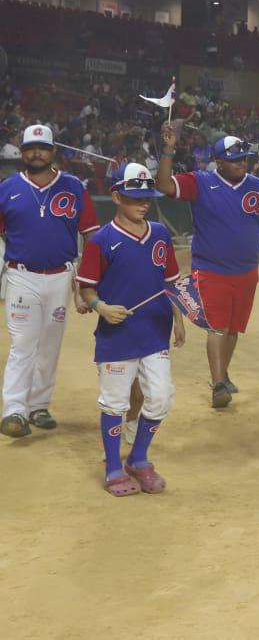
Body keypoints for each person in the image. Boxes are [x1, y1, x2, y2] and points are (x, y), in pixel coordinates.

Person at [155, 123, 259, 408]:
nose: (241, 163)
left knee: (233, 329)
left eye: (243, 158)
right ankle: (218, 383)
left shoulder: (258, 187)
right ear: (218, 162)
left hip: (246, 271)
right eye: (234, 160)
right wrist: (168, 149)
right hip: (210, 269)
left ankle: (224, 373)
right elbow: (164, 185)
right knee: (217, 327)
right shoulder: (200, 182)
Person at [75, 163, 184, 496]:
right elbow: (87, 287)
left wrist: (178, 319)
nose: (142, 204)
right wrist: (101, 307)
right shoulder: (102, 240)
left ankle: (138, 458)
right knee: (115, 403)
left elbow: (171, 283)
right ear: (116, 196)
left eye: (146, 199)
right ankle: (112, 468)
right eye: (135, 198)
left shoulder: (161, 234)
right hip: (117, 336)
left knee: (162, 398)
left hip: (155, 331)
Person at [1, 125, 101, 438]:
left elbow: (92, 235)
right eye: (31, 147)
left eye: (43, 148)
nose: (36, 153)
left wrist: (86, 283)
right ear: (22, 150)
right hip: (21, 275)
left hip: (61, 275)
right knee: (23, 345)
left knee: (50, 345)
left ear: (53, 151)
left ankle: (39, 405)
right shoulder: (7, 188)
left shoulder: (73, 186)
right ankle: (14, 410)